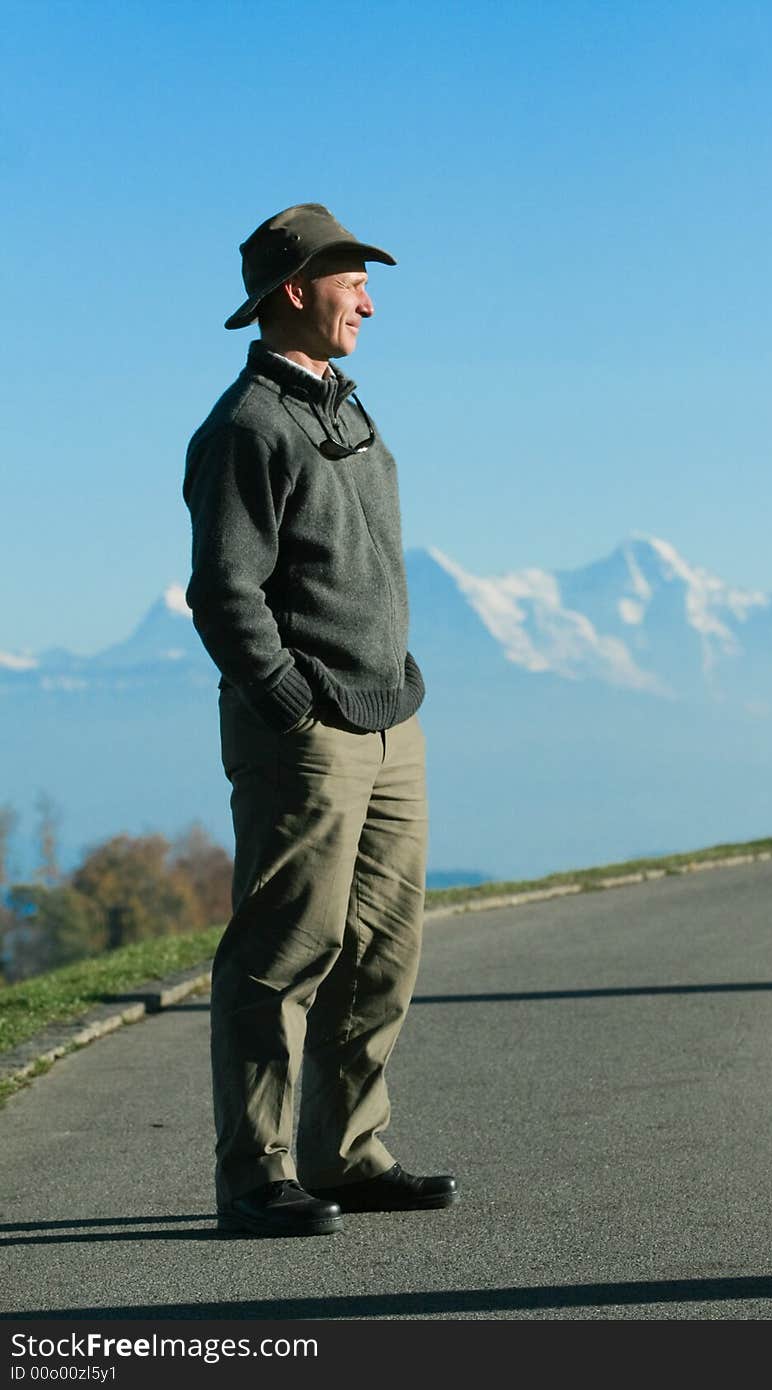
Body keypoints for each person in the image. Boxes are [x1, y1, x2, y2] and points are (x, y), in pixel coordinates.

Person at [182, 203, 458, 1237]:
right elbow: (224, 590)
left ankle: (347, 1152)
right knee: (283, 951)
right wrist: (290, 701)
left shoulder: (349, 409)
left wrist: (397, 673)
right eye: (354, 283)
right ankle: (254, 1176)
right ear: (296, 290)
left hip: (391, 722)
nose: (370, 303)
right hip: (307, 732)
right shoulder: (247, 425)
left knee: (382, 947)